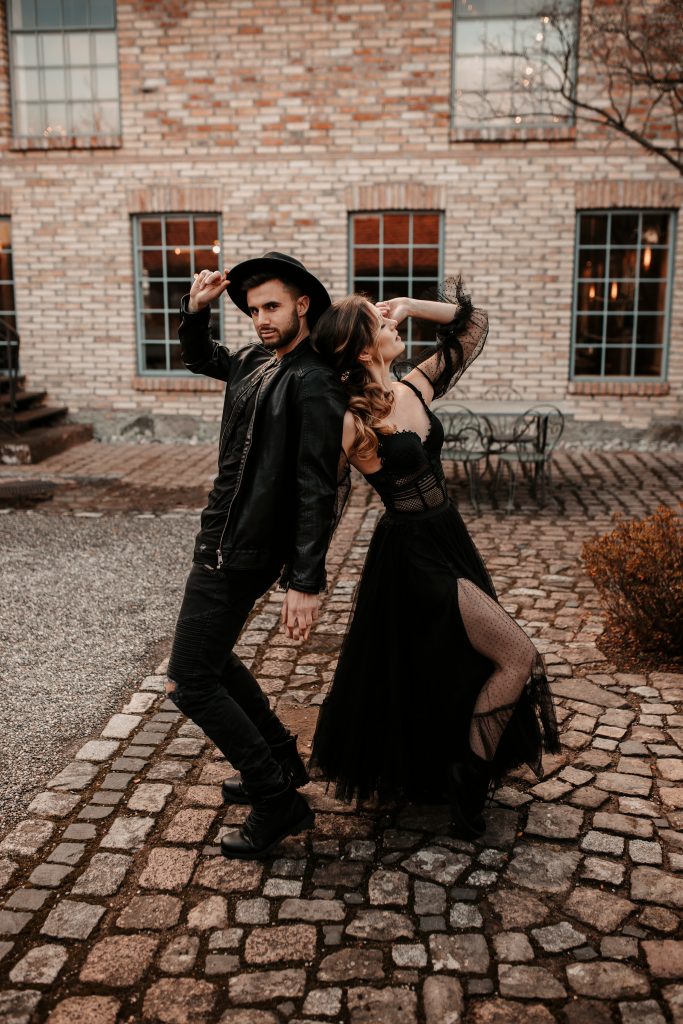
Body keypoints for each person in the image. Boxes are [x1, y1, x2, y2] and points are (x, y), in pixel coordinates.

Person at [309, 278, 560, 838]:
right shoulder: (352, 419)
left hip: (448, 537)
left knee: (446, 664)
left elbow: (473, 326)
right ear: (362, 349)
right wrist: (305, 576)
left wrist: (412, 305)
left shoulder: (415, 384)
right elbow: (321, 497)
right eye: (380, 321)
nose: (392, 322)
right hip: (412, 556)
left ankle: (452, 771)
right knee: (517, 654)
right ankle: (468, 776)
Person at [166, 252, 346, 859]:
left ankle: (276, 798)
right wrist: (195, 313)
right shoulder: (254, 361)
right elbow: (200, 358)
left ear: (303, 305)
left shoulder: (314, 380)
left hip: (244, 548)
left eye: (272, 306)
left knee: (190, 679)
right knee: (211, 661)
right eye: (252, 310)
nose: (261, 319)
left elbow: (317, 486)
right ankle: (281, 761)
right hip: (222, 534)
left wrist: (306, 579)